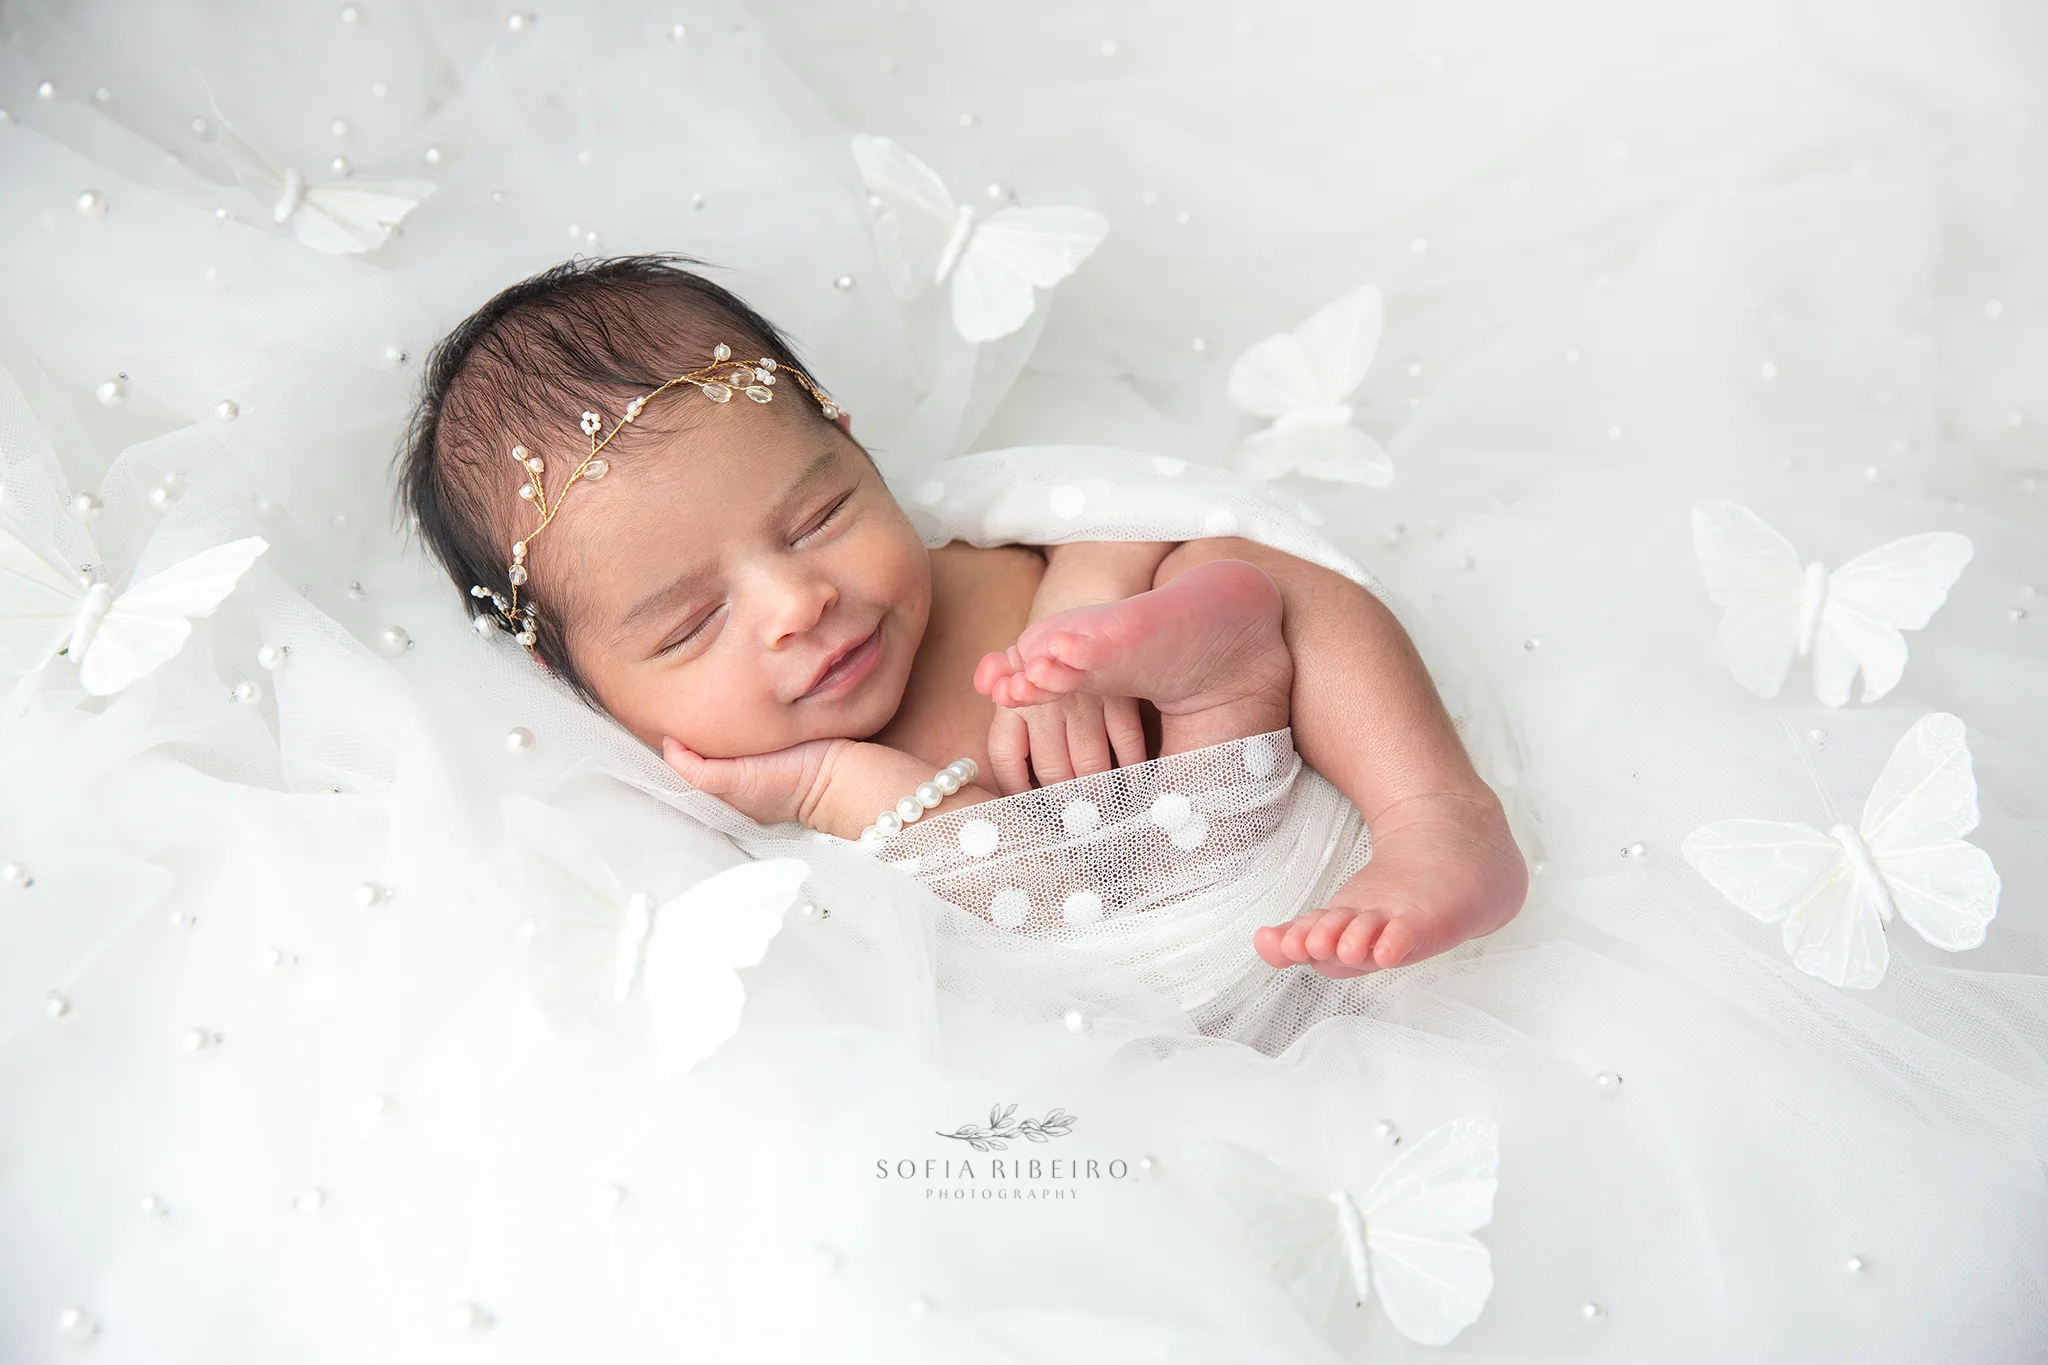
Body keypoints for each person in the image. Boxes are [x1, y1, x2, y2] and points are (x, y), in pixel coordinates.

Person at [396, 254, 1526, 976]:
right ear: (582, 684)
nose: (800, 602)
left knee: (1244, 570)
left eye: (816, 516)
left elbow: (1130, 505)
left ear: (853, 441)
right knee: (1025, 907)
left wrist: (1085, 602)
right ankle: (1219, 682)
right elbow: (1013, 932)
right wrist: (832, 787)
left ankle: (1432, 811)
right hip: (1177, 952)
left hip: (1295, 790)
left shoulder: (973, 547)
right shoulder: (726, 798)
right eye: (690, 624)